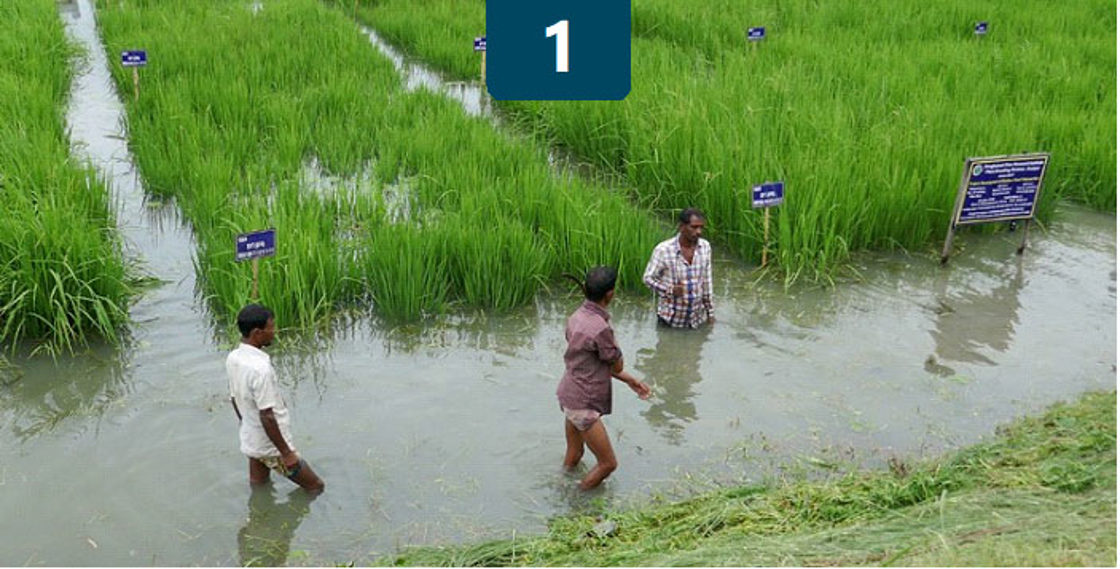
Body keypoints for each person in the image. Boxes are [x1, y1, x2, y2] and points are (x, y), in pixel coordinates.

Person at [556, 266, 652, 490]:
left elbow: (590, 363)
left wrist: (630, 381)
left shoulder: (575, 317)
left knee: (574, 453)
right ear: (610, 294)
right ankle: (576, 497)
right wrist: (612, 336)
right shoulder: (601, 328)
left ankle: (561, 485)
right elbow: (617, 364)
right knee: (608, 464)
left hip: (569, 395)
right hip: (584, 403)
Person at [227, 304, 324, 493]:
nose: (275, 332)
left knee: (259, 485)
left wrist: (246, 424)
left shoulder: (234, 358)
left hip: (252, 437)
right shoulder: (260, 369)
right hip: (270, 445)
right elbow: (267, 415)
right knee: (315, 487)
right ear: (257, 333)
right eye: (271, 327)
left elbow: (233, 398)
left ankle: (260, 512)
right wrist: (286, 453)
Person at [642, 208, 714, 328]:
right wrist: (670, 289)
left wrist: (710, 314)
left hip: (697, 320)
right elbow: (648, 278)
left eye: (701, 227)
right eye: (694, 227)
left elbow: (707, 283)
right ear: (681, 227)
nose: (699, 232)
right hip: (670, 320)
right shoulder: (664, 250)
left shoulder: (705, 247)